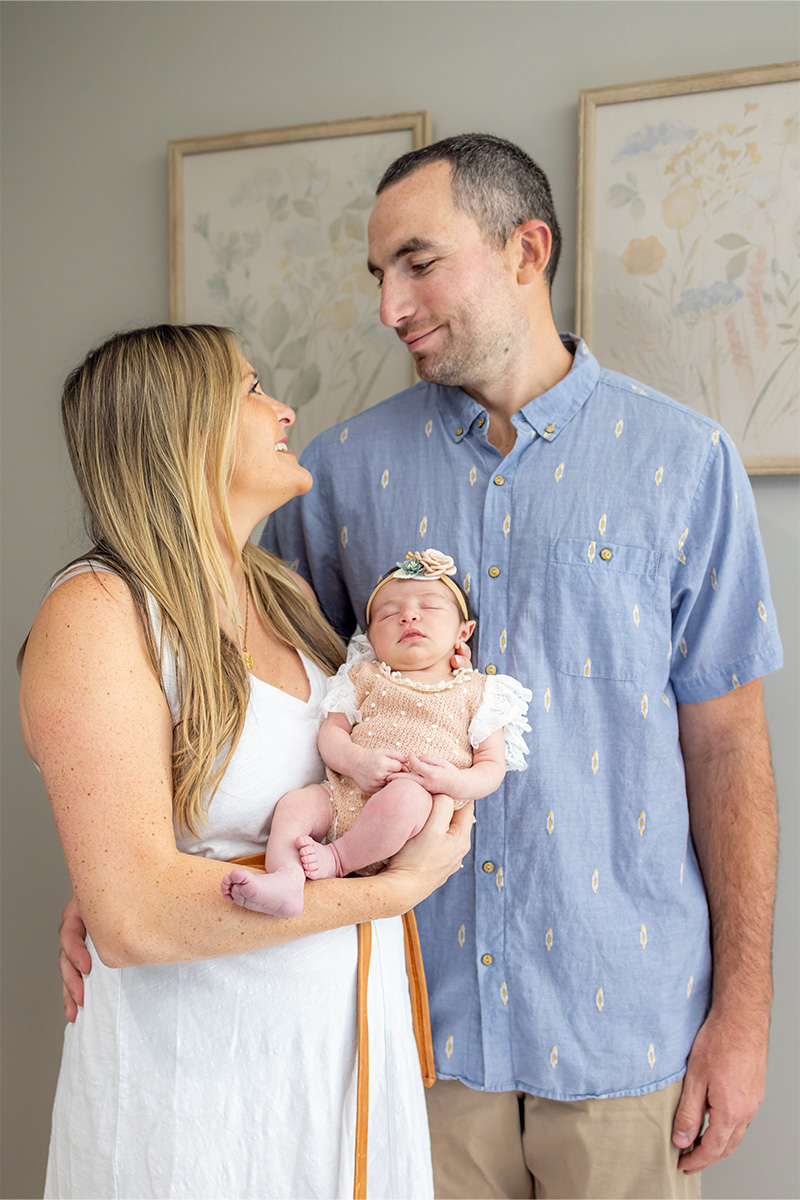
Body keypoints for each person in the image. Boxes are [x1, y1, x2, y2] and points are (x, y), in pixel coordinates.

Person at [254, 135, 780, 1199]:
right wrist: (123, 858)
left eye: (417, 262)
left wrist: (743, 1014)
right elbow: (258, 709)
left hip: (621, 1030)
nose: (391, 306)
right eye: (378, 278)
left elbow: (727, 744)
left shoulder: (684, 463)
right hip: (406, 1023)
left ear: (526, 249)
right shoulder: (340, 475)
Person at [21, 324, 472, 1200]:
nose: (283, 407)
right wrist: (389, 891)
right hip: (198, 1086)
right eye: (252, 387)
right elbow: (138, 917)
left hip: (335, 1057)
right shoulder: (98, 612)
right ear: (184, 427)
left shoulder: (288, 597)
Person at [221, 548, 531, 916]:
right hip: (342, 797)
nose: (408, 615)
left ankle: (338, 859)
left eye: (429, 607)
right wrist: (355, 761)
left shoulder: (481, 692)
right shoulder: (361, 677)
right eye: (388, 613)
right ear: (369, 638)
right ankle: (286, 879)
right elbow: (331, 734)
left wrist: (455, 782)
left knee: (405, 797)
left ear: (463, 632)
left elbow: (492, 767)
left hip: (411, 820)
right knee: (295, 805)